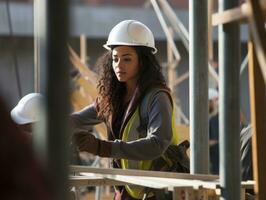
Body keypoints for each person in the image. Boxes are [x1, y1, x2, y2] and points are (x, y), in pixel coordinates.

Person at [71, 19, 178, 200]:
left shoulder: (157, 97)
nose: (119, 65)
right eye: (115, 58)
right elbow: (78, 120)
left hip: (157, 192)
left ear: (143, 61)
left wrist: (102, 148)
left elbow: (157, 144)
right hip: (126, 190)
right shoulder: (112, 97)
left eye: (127, 59)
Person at [208, 88, 219, 175]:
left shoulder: (216, 118)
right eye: (215, 100)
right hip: (211, 166)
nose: (217, 103)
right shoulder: (206, 120)